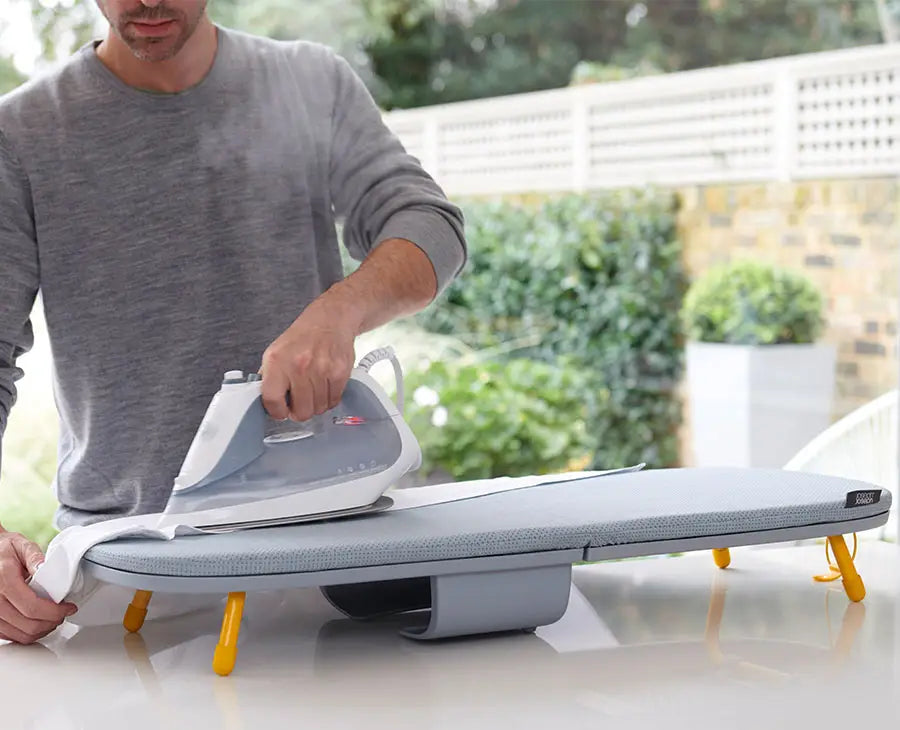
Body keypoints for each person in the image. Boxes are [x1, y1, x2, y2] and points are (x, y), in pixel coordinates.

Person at [0, 0, 466, 644]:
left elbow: (430, 226)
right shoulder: (24, 133)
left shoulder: (310, 83)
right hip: (129, 569)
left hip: (328, 563)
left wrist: (339, 312)